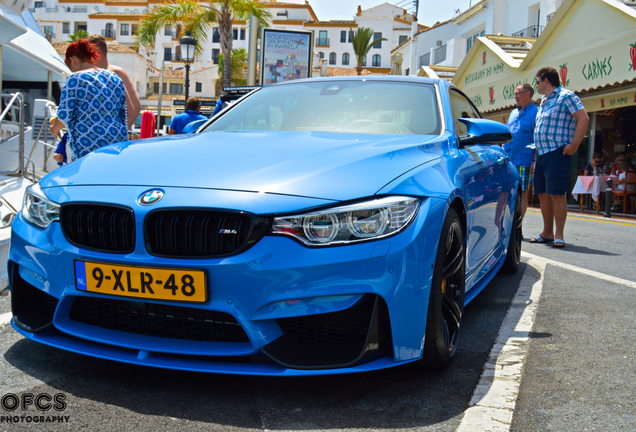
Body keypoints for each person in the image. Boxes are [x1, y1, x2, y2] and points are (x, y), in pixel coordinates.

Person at [530, 66, 589, 248]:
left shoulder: (566, 96)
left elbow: (584, 118)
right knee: (542, 193)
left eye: (538, 81)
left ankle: (559, 235)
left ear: (546, 80)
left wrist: (574, 145)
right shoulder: (544, 100)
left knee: (557, 194)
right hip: (542, 152)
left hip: (557, 151)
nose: (537, 85)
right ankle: (547, 232)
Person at [50, 39, 127, 162]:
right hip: (115, 139)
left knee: (87, 178)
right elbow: (122, 114)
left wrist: (54, 129)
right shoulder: (114, 77)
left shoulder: (75, 78)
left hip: (87, 142)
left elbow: (63, 116)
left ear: (73, 60)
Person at [87, 34, 140, 129]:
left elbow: (135, 106)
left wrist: (121, 132)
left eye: (87, 52)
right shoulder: (86, 74)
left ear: (97, 51)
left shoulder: (117, 73)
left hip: (111, 138)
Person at [504, 83, 539, 223]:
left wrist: (534, 160)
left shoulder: (537, 112)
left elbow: (537, 138)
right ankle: (506, 222)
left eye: (518, 93)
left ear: (528, 94)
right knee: (506, 191)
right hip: (508, 158)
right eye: (515, 93)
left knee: (522, 192)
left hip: (524, 159)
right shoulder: (513, 112)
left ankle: (517, 224)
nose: (515, 96)